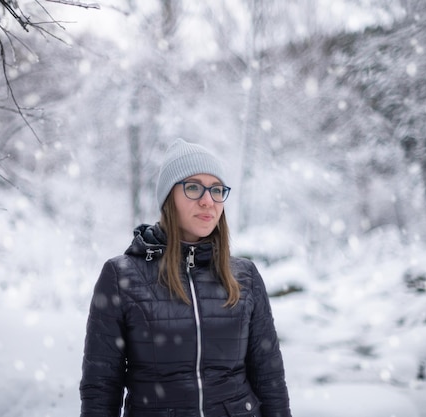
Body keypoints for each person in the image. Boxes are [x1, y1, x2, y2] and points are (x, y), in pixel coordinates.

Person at [80, 138, 291, 417]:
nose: (208, 200)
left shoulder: (245, 276)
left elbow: (269, 379)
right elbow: (101, 387)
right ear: (169, 198)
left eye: (216, 190)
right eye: (193, 187)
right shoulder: (121, 277)